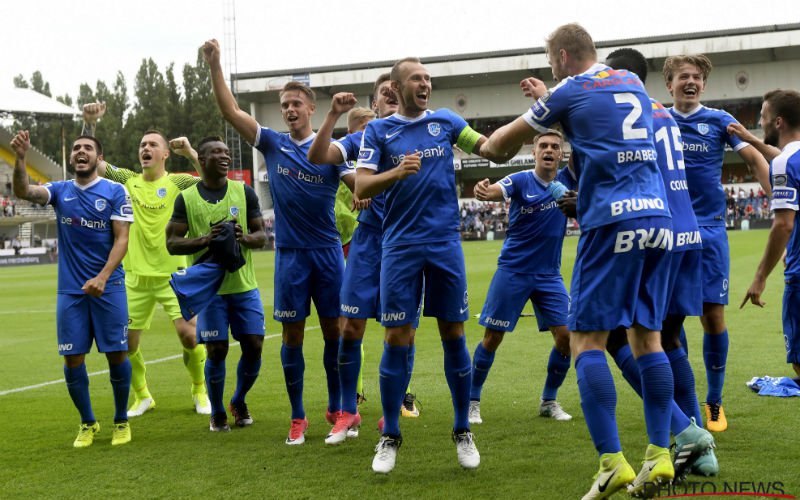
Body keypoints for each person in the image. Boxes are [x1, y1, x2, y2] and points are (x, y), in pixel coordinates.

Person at [480, 24, 675, 498]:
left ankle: (611, 463)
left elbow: (502, 145)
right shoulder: (629, 82)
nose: (551, 67)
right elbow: (596, 123)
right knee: (648, 338)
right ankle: (660, 454)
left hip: (611, 221)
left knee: (587, 340)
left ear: (564, 55)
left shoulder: (570, 87)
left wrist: (477, 144)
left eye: (551, 59)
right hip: (660, 220)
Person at [356, 56, 505, 474]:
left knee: (453, 333)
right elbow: (362, 182)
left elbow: (488, 147)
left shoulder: (447, 121)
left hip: (444, 244)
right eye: (416, 79)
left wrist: (525, 125)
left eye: (428, 79)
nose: (424, 84)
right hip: (399, 245)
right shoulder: (379, 130)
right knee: (396, 336)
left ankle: (462, 430)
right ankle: (390, 436)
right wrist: (395, 173)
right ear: (396, 88)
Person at [203, 39, 356, 444]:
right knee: (292, 337)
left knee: (333, 334)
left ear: (311, 109)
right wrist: (215, 65)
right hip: (290, 257)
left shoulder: (333, 151)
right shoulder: (272, 142)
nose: (289, 109)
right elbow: (230, 110)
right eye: (285, 104)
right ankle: (298, 417)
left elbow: (359, 183)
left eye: (296, 104)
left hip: (326, 254)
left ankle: (338, 407)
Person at [600, 47, 717, 478]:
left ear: (612, 76)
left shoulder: (622, 115)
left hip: (653, 232)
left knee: (616, 336)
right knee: (668, 339)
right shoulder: (665, 115)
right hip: (687, 232)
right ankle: (700, 443)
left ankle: (686, 431)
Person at [306, 77, 420, 445]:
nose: (389, 94)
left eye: (394, 90)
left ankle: (391, 415)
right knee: (350, 328)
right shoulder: (364, 137)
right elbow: (318, 156)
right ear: (375, 102)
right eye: (383, 91)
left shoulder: (422, 133)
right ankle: (346, 411)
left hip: (407, 239)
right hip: (368, 239)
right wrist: (333, 114)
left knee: (402, 332)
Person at [663, 54, 771, 432]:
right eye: (682, 77)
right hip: (668, 231)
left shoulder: (720, 121)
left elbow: (756, 159)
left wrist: (775, 198)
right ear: (669, 85)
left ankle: (714, 403)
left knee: (712, 316)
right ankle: (683, 396)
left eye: (696, 77)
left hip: (708, 230)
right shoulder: (657, 119)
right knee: (669, 322)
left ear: (704, 86)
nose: (690, 82)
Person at [81, 103, 210, 417]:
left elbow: (211, 181)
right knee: (127, 345)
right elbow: (92, 162)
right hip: (135, 278)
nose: (145, 149)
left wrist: (192, 152)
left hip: (174, 276)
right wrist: (90, 125)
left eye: (153, 145)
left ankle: (199, 390)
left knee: (190, 335)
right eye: (142, 145)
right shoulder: (126, 180)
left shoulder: (178, 182)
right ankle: (143, 396)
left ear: (165, 154)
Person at [11, 130, 134, 447]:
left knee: (117, 355)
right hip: (70, 292)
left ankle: (121, 420)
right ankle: (87, 422)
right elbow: (24, 191)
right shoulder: (59, 190)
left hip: (109, 287)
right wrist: (21, 158)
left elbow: (122, 239)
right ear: (70, 157)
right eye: (77, 148)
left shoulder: (115, 191)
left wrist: (103, 276)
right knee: (72, 359)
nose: (81, 151)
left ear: (99, 158)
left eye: (88, 148)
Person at [467, 130, 576, 425]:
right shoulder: (520, 180)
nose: (549, 150)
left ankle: (549, 400)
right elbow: (494, 191)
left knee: (566, 337)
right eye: (544, 146)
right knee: (492, 338)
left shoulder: (569, 181)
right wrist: (482, 190)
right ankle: (472, 400)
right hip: (513, 270)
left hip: (549, 275)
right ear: (535, 151)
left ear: (562, 153)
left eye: (555, 146)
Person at [165, 136, 267, 431]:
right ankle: (218, 411)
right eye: (216, 153)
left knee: (254, 345)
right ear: (203, 159)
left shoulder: (243, 192)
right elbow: (172, 243)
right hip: (211, 291)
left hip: (244, 286)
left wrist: (241, 237)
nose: (225, 157)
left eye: (226, 153)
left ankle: (239, 399)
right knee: (216, 349)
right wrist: (205, 240)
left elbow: (261, 236)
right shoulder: (187, 198)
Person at [739, 89, 800, 383]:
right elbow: (786, 161)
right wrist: (751, 141)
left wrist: (760, 276)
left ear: (778, 122)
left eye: (762, 118)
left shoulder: (784, 164)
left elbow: (783, 225)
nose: (759, 124)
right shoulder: (790, 159)